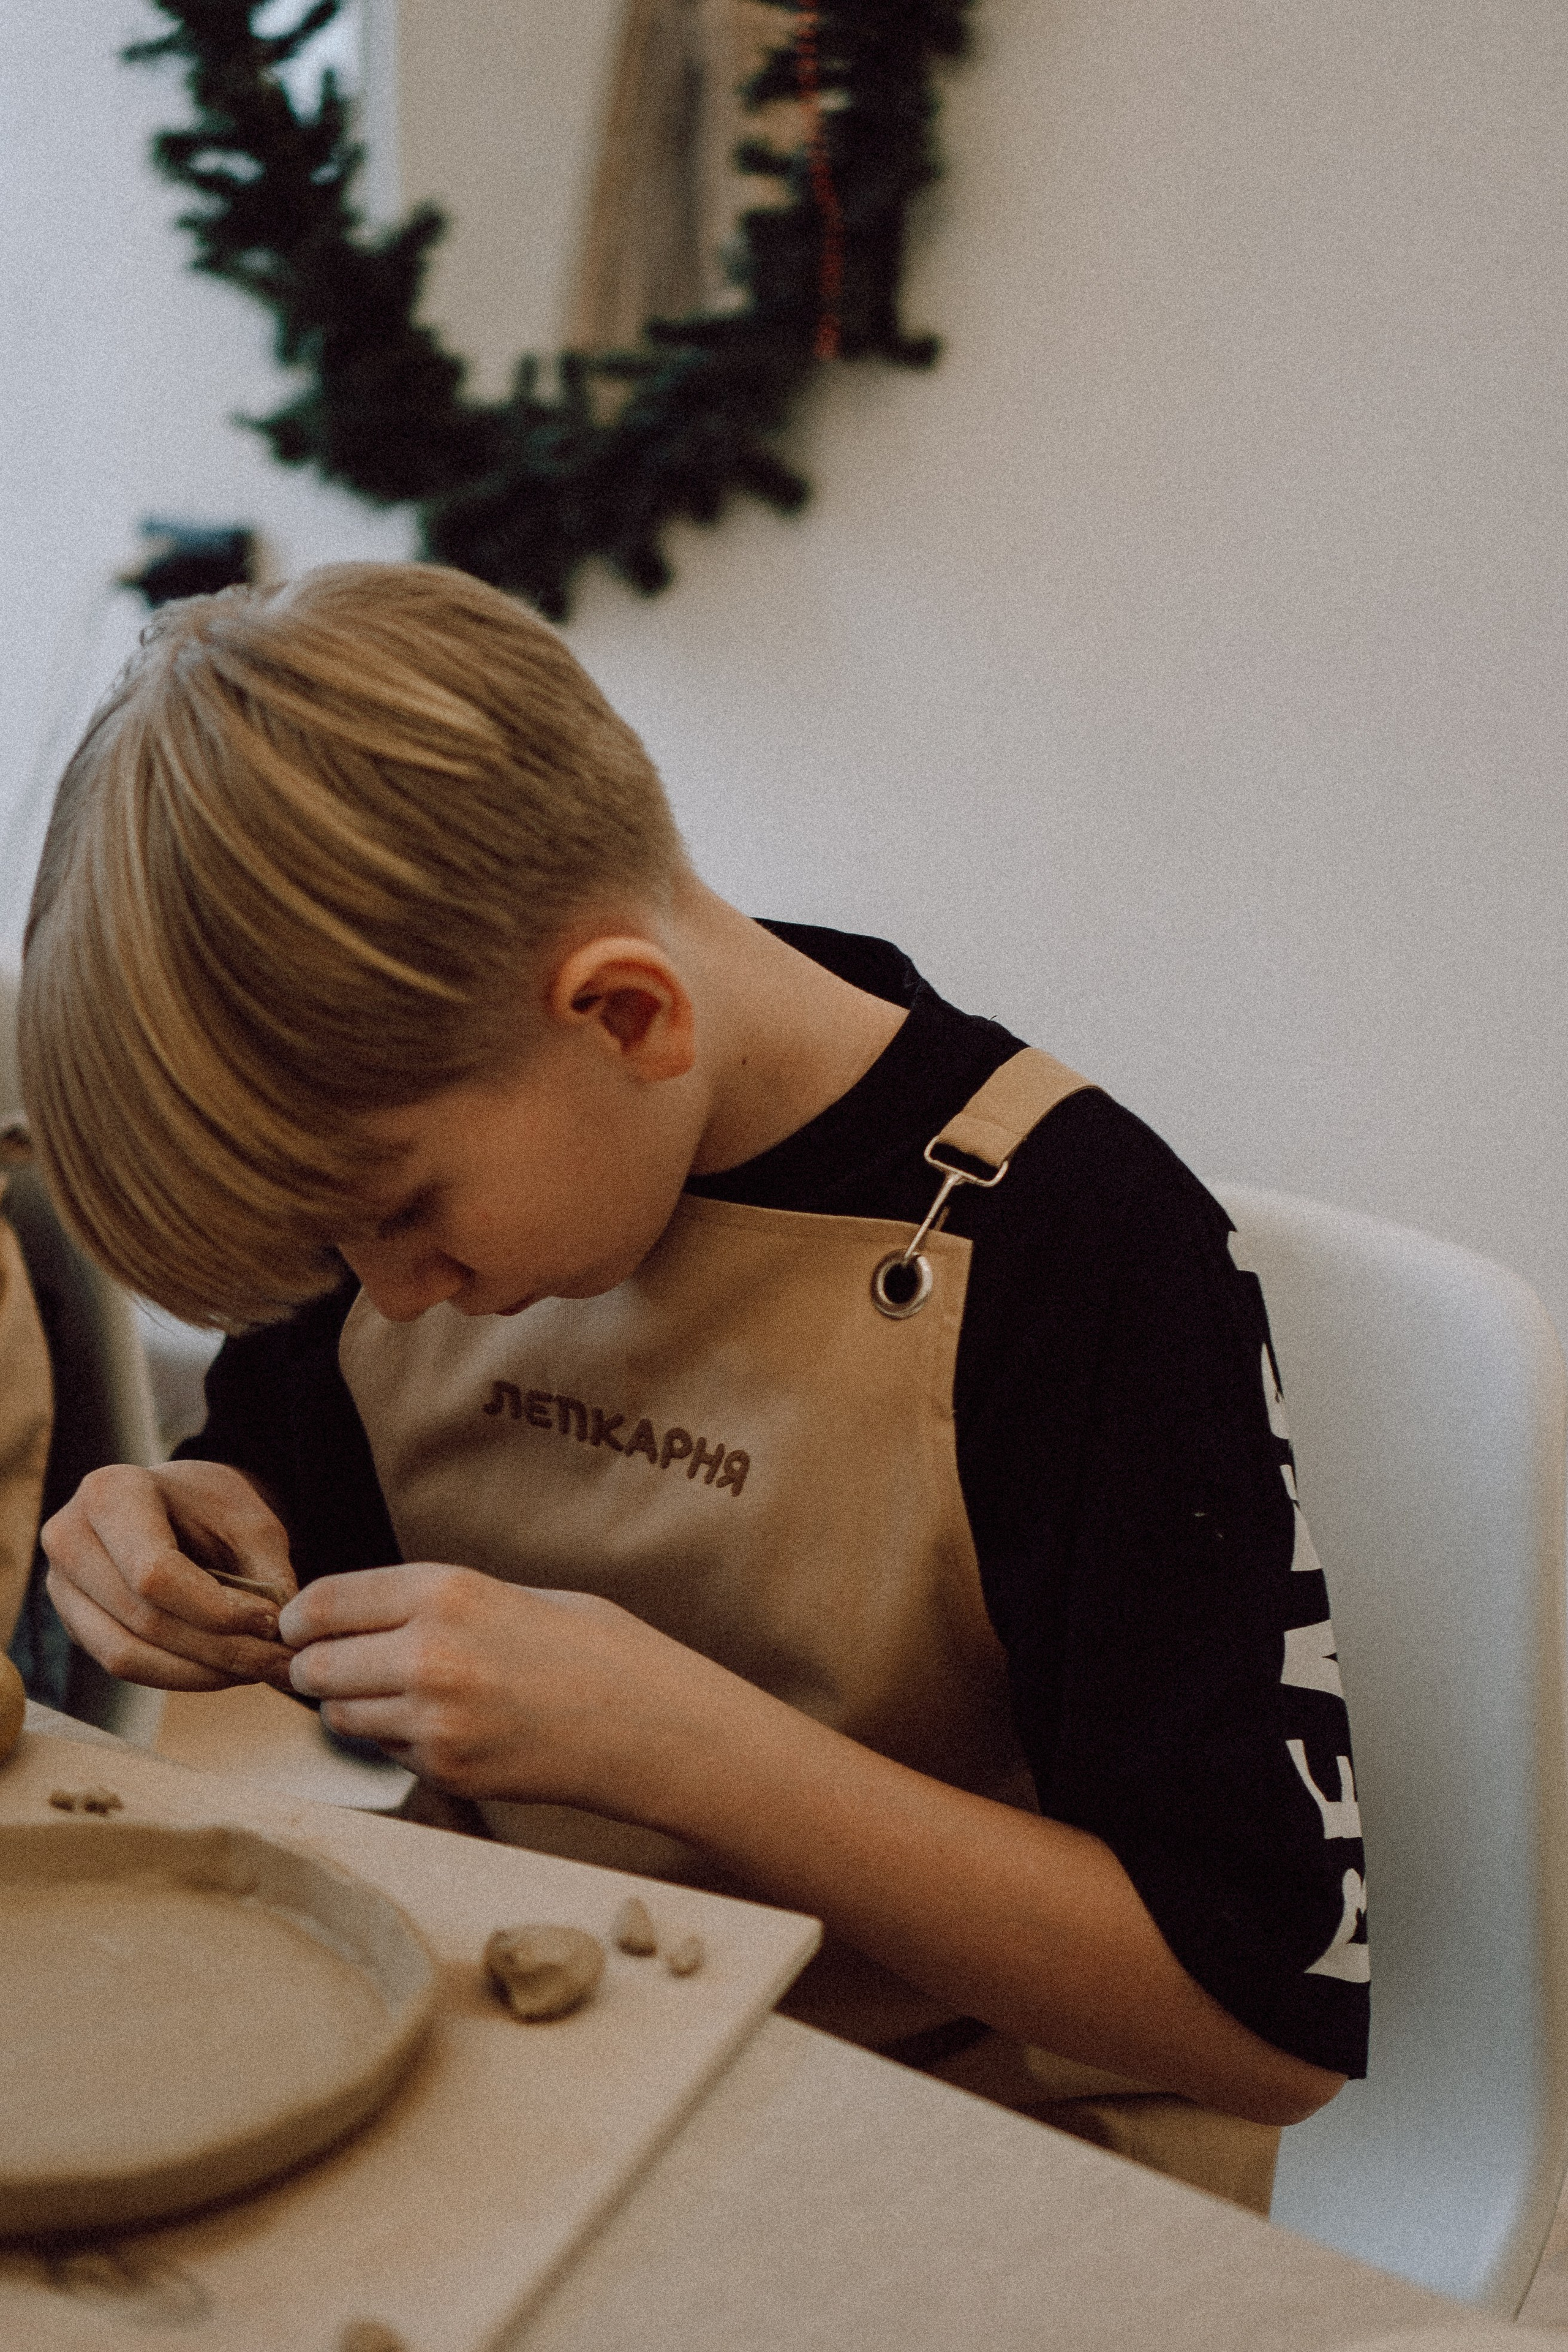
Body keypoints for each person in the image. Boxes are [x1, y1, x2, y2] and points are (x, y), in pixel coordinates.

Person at [21, 563, 1366, 2203]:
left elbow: (1262, 2028)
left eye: (404, 1216)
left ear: (627, 1014)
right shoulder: (399, 1175)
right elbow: (313, 1503)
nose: (388, 1294)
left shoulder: (1082, 1251)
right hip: (543, 2038)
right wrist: (200, 1520)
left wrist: (674, 1746)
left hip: (996, 2147)